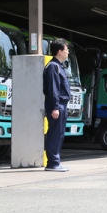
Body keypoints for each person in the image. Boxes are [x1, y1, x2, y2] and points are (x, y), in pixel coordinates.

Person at [43, 38, 72, 172]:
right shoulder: (53, 66)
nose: (68, 52)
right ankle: (53, 163)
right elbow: (53, 89)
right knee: (54, 134)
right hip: (57, 104)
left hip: (61, 104)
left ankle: (56, 161)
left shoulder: (59, 66)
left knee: (59, 133)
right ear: (59, 51)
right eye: (66, 49)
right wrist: (55, 107)